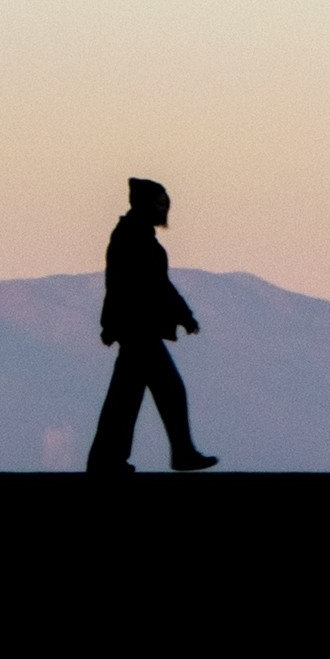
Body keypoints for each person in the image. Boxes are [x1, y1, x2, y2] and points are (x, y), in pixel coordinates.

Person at [85, 178, 218, 473]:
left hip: (134, 328)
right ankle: (180, 454)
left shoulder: (133, 235)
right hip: (138, 329)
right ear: (146, 204)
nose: (165, 208)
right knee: (167, 390)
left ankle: (106, 461)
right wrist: (184, 315)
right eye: (160, 203)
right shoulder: (134, 238)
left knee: (125, 398)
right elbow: (149, 285)